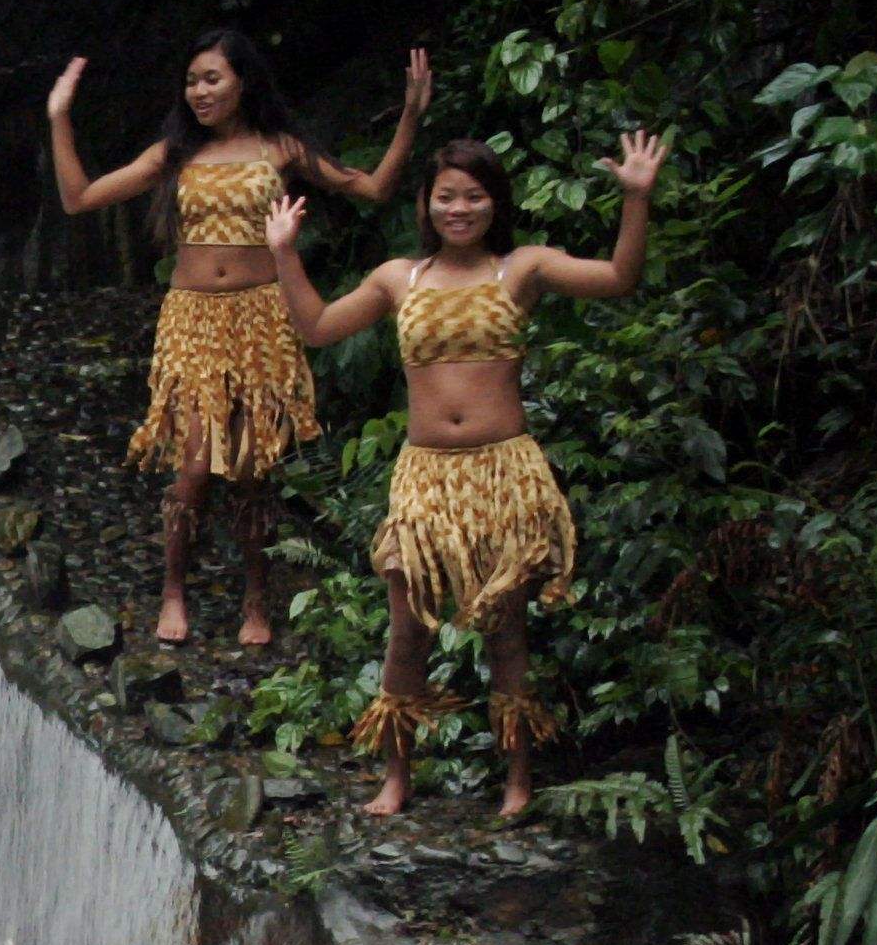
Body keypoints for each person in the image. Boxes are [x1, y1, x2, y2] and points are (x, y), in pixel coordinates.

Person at [268, 132, 667, 817]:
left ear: (495, 202)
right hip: (425, 475)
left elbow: (617, 279)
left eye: (474, 195)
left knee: (507, 630)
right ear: (425, 204)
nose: (460, 208)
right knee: (406, 626)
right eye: (446, 195)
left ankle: (517, 777)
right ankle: (396, 775)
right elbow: (319, 327)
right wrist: (282, 252)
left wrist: (635, 198)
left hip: (503, 470)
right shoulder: (400, 278)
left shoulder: (522, 268)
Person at [49, 34, 432, 646]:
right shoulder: (175, 153)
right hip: (192, 319)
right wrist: (60, 116)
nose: (198, 92)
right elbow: (79, 198)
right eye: (192, 81)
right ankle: (174, 589)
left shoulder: (281, 148)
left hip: (261, 316)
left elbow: (372, 188)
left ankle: (256, 595)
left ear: (243, 82)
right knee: (196, 466)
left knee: (252, 469)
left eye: (212, 79)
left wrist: (411, 114)